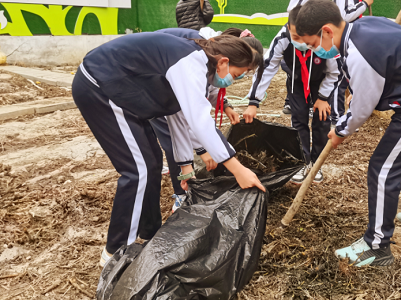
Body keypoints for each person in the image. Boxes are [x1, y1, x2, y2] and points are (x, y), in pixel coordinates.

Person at [72, 32, 265, 267]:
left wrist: (185, 167)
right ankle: (116, 253)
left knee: (151, 164)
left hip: (126, 96)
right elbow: (199, 121)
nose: (231, 81)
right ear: (223, 61)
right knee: (138, 170)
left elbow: (177, 116)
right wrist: (238, 169)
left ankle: (149, 233)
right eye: (234, 75)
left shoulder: (199, 67)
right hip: (102, 88)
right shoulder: (190, 62)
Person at [294, 0, 401, 267]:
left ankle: (376, 245)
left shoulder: (361, 50)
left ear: (326, 31)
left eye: (313, 44)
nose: (314, 50)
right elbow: (368, 85)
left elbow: (362, 108)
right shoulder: (361, 28)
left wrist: (341, 131)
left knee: (383, 169)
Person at [152, 27, 263, 212]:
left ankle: (183, 183)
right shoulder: (195, 57)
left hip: (165, 94)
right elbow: (191, 115)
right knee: (170, 146)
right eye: (238, 74)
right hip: (154, 94)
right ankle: (181, 194)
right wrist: (204, 149)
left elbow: (207, 91)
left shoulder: (211, 55)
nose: (239, 77)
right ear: (229, 56)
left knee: (176, 147)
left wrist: (226, 106)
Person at [243, 6, 340, 184]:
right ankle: (302, 161)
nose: (301, 41)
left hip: (322, 81)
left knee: (321, 121)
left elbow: (335, 72)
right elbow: (267, 67)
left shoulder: (324, 40)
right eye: (295, 36)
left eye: (304, 37)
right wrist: (253, 101)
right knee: (298, 120)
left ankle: (316, 164)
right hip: (297, 81)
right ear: (288, 28)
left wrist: (323, 97)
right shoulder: (282, 39)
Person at [331, 0, 380, 124]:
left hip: (349, 45)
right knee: (338, 81)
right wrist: (365, 3)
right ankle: (336, 118)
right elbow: (344, 16)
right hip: (337, 44)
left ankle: (345, 117)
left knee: (346, 79)